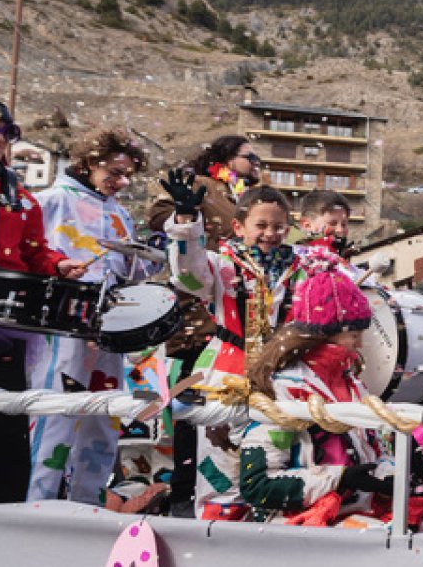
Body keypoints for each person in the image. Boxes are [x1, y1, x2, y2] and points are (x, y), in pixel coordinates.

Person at [163, 180, 318, 519]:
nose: (270, 233)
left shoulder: (305, 269)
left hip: (282, 382)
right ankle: (215, 533)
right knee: (220, 470)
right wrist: (186, 223)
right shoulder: (222, 264)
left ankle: (265, 533)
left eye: (279, 226)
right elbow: (188, 276)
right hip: (225, 377)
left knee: (272, 467)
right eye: (261, 225)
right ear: (238, 226)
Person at [0, 94, 85, 504]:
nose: (0, 138)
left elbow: (33, 253)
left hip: (1, 329)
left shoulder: (20, 196)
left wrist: (58, 265)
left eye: (7, 131)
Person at [25, 129, 149, 504]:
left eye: (127, 175)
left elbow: (133, 272)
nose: (121, 182)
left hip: (107, 328)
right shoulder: (49, 201)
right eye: (114, 172)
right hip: (61, 325)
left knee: (103, 419)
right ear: (89, 163)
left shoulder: (120, 214)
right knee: (55, 417)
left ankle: (89, 507)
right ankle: (36, 507)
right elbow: (29, 256)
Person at [148, 135, 260, 517]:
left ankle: (238, 492)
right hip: (197, 304)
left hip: (235, 313)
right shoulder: (199, 184)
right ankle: (184, 491)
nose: (256, 163)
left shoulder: (244, 194)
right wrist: (189, 221)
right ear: (226, 157)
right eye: (249, 157)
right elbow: (159, 217)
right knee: (193, 399)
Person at [240, 249, 394, 525]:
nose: (360, 344)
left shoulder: (353, 384)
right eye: (353, 335)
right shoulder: (285, 389)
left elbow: (376, 449)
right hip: (306, 524)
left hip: (359, 515)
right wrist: (339, 479)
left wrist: (388, 474)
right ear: (323, 335)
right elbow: (258, 485)